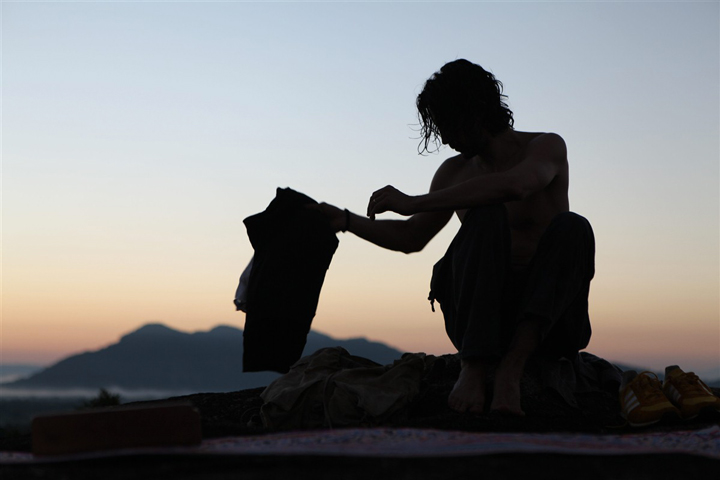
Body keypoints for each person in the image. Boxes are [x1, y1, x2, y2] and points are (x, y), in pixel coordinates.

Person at [316, 59, 595, 416]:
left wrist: (412, 201)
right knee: (484, 214)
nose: (444, 138)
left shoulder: (545, 147)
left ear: (475, 111)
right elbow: (411, 236)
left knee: (574, 227)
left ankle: (513, 367)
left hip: (550, 322)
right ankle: (474, 367)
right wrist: (345, 219)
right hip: (483, 321)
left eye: (447, 124)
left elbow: (515, 185)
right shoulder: (453, 172)